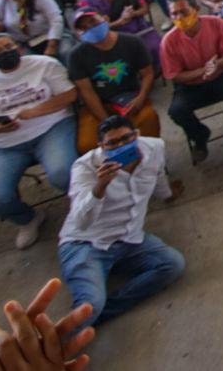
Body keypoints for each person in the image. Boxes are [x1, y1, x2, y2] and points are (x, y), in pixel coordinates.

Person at [58, 114, 185, 328]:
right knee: (89, 306)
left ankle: (102, 313)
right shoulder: (84, 168)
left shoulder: (154, 148)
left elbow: (158, 175)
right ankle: (59, 345)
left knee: (173, 265)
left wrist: (167, 194)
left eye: (127, 139)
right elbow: (81, 221)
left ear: (137, 135)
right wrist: (100, 187)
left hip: (130, 239)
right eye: (112, 143)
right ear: (101, 146)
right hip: (87, 244)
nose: (122, 146)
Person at [0, 34, 78, 249]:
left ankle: (82, 208)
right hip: (4, 145)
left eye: (9, 46)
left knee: (63, 173)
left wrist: (35, 111)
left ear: (19, 48)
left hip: (51, 129)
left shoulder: (44, 64)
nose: (6, 52)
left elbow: (70, 95)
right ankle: (28, 218)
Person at [160, 0, 223, 164]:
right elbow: (175, 75)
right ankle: (200, 136)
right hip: (190, 85)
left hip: (221, 75)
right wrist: (202, 71)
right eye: (174, 14)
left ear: (196, 9)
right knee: (176, 111)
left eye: (183, 12)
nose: (179, 17)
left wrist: (217, 65)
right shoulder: (168, 41)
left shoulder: (216, 24)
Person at [67, 10, 159, 154]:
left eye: (93, 22)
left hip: (131, 99)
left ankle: (150, 163)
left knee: (148, 121)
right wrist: (106, 121)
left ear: (105, 18)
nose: (90, 29)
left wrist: (140, 98)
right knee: (87, 144)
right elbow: (87, 92)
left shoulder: (132, 42)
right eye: (83, 28)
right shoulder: (76, 55)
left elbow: (147, 74)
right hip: (98, 105)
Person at [79, 0, 162, 61]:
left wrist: (132, 14)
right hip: (112, 33)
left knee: (154, 47)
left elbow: (144, 9)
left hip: (137, 24)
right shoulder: (90, 0)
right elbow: (97, 28)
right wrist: (120, 21)